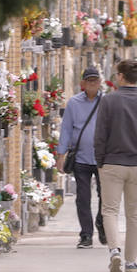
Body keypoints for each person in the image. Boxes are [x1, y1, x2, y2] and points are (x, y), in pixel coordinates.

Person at [93, 58, 137, 272]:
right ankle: (131, 261)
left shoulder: (108, 101)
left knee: (110, 210)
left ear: (121, 77)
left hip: (112, 162)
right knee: (134, 215)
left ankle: (114, 250)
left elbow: (100, 135)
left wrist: (100, 161)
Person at [57, 67, 104, 248]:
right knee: (83, 198)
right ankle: (86, 235)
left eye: (95, 80)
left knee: (105, 197)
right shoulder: (74, 103)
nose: (92, 84)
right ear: (83, 83)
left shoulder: (106, 102)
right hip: (80, 159)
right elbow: (66, 129)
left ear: (99, 83)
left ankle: (101, 223)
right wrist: (61, 155)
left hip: (102, 158)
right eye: (89, 81)